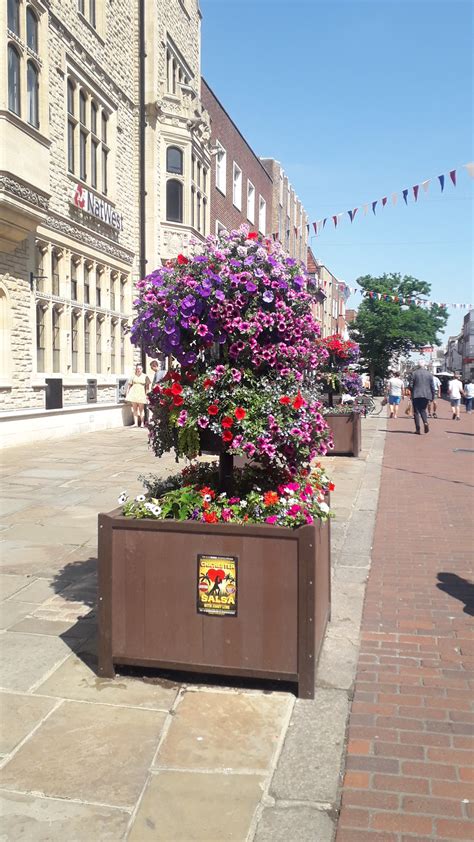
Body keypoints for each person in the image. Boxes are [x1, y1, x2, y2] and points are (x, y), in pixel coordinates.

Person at [408, 361, 435, 434]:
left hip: (416, 394)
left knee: (416, 412)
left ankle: (418, 429)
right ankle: (425, 422)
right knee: (423, 410)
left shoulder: (414, 373)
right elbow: (432, 386)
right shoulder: (429, 374)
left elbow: (410, 385)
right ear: (424, 365)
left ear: (418, 365)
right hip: (426, 395)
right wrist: (433, 396)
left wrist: (412, 391)